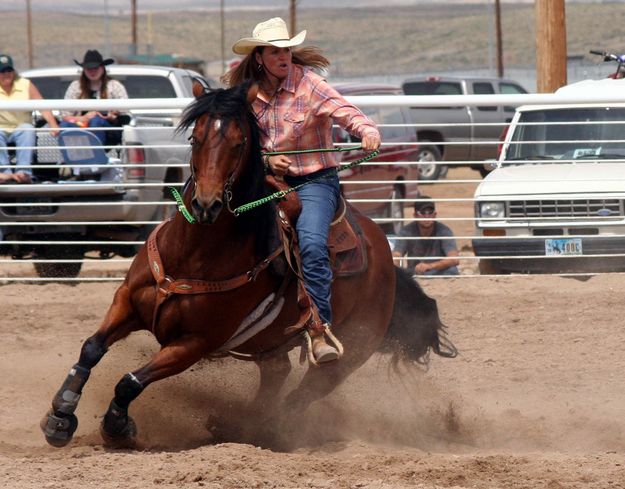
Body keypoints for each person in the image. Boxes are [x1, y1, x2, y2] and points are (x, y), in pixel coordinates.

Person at [224, 17, 381, 363]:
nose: (284, 57)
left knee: (310, 242)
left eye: (287, 50)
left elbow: (346, 111)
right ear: (260, 57)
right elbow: (237, 142)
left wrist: (366, 131)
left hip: (314, 181)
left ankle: (318, 326)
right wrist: (266, 162)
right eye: (276, 51)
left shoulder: (310, 85)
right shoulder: (246, 93)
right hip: (266, 182)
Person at [0, 54, 59, 182]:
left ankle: (23, 173)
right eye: (2, 71)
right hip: (1, 128)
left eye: (9, 70)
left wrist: (53, 124)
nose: (6, 74)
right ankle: (4, 173)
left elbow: (41, 104)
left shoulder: (25, 84)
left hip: (21, 127)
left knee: (27, 129)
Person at [60, 50, 128, 146]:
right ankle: (71, 157)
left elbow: (126, 116)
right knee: (65, 125)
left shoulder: (115, 86)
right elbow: (65, 116)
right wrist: (84, 118)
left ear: (102, 68)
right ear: (84, 70)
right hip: (81, 126)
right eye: (88, 68)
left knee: (96, 120)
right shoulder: (75, 87)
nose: (92, 71)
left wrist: (112, 117)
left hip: (109, 131)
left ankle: (94, 153)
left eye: (96, 68)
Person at [392, 196, 460, 276]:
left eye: (430, 213)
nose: (427, 217)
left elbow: (454, 258)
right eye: (422, 213)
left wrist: (430, 266)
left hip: (438, 271)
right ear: (415, 215)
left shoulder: (444, 231)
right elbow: (397, 254)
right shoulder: (406, 232)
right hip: (415, 272)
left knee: (452, 270)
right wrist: (394, 266)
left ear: (435, 215)